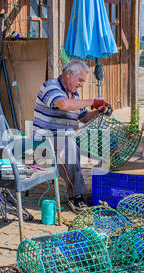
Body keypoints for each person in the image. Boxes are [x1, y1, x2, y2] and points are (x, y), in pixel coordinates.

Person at [32, 60, 113, 213]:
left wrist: (99, 111)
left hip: (64, 140)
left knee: (102, 143)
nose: (82, 85)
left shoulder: (74, 96)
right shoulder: (50, 86)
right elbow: (63, 104)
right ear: (69, 74)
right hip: (42, 143)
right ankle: (76, 197)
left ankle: (96, 190)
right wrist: (93, 101)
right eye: (80, 80)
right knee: (68, 146)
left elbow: (83, 117)